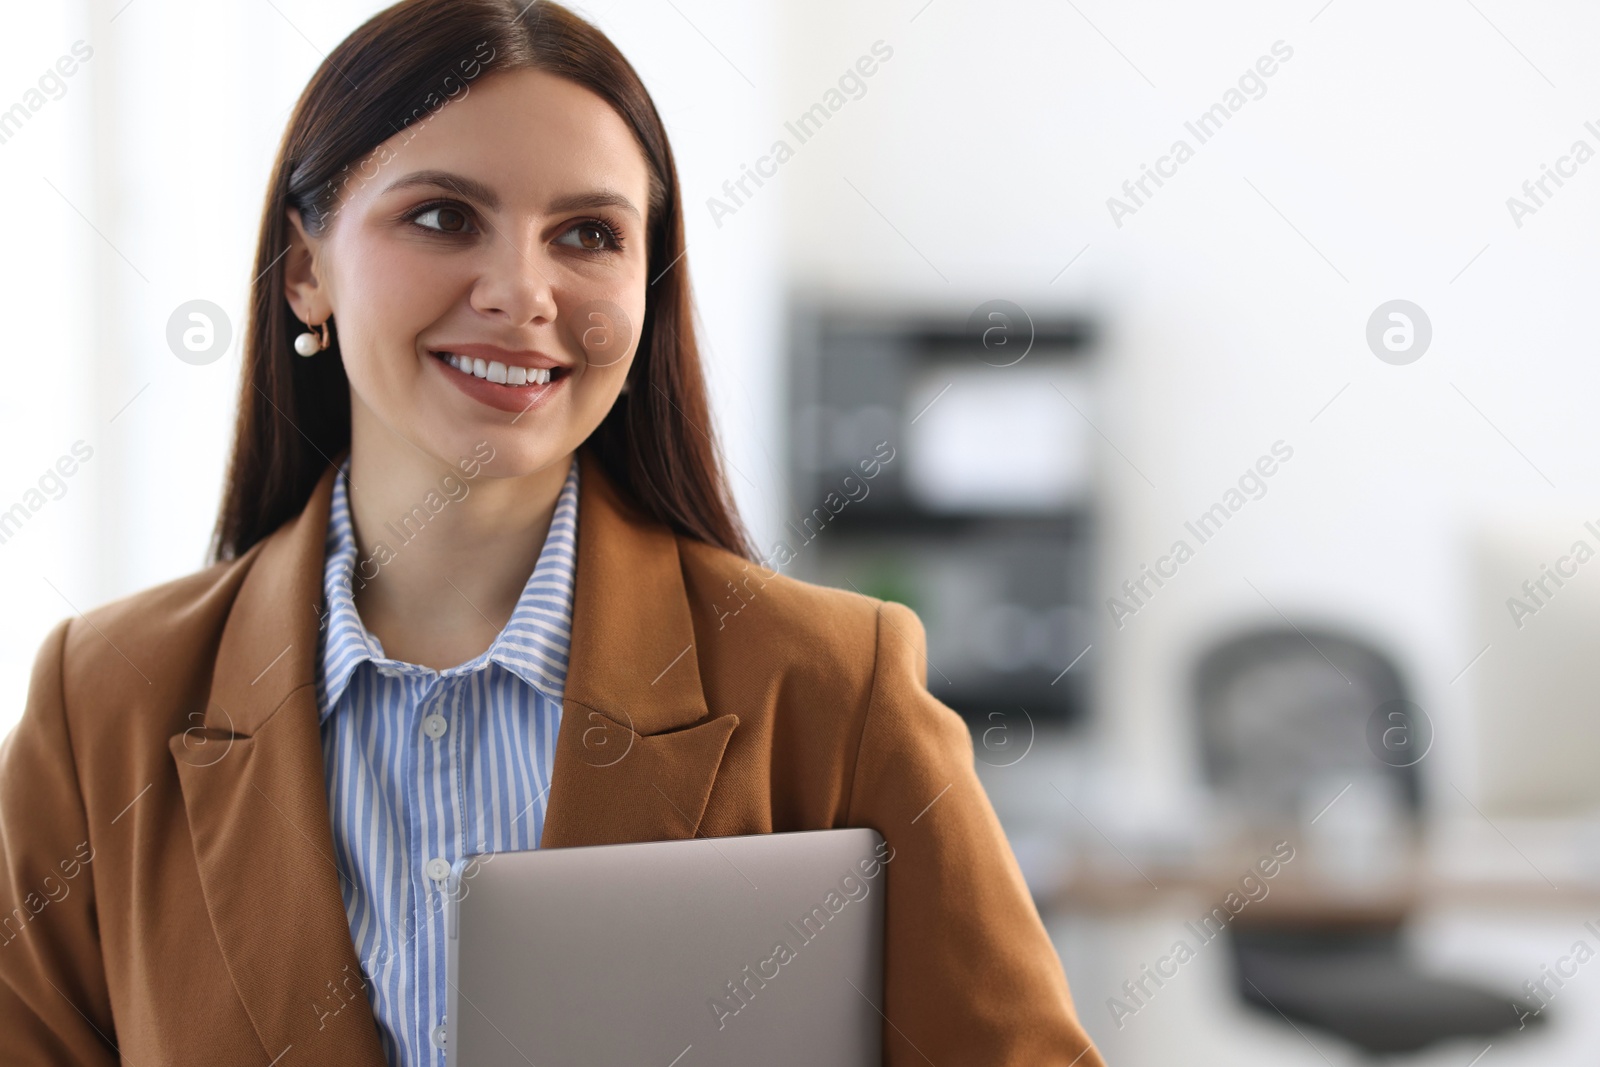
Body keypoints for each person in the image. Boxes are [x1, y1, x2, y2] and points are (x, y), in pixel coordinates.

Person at [0, 2, 1103, 1063]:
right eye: (442, 216)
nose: (523, 292)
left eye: (587, 234)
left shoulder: (826, 685)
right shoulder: (105, 701)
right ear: (306, 271)